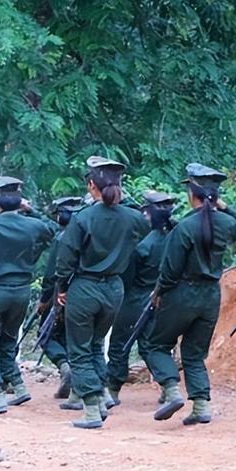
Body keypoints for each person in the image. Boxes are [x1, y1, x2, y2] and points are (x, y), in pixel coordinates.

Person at [147, 163, 236, 424]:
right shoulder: (225, 223)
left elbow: (170, 270)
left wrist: (159, 292)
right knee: (194, 352)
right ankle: (201, 407)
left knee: (156, 344)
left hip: (182, 293)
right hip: (211, 296)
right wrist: (222, 206)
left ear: (192, 192)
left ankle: (171, 392)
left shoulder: (184, 227)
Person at [55, 157, 149, 429]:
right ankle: (101, 398)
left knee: (80, 351)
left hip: (85, 287)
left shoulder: (82, 218)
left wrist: (62, 288)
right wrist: (122, 198)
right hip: (114, 289)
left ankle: (91, 410)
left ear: (91, 185)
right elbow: (142, 228)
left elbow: (66, 259)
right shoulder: (133, 218)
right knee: (96, 344)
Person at [0, 176, 56, 417]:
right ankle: (18, 385)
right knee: (7, 340)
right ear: (20, 202)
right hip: (21, 292)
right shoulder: (33, 225)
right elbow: (55, 231)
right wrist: (32, 210)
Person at [105, 191, 176, 404]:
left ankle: (113, 390)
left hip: (136, 299)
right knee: (150, 345)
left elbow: (127, 277)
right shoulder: (175, 236)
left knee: (120, 344)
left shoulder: (142, 245)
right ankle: (169, 388)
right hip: (164, 298)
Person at [37, 197, 83, 402]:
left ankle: (65, 367)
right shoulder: (87, 233)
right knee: (74, 337)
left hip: (61, 293)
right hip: (84, 291)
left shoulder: (61, 238)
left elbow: (51, 274)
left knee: (45, 334)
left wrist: (44, 298)